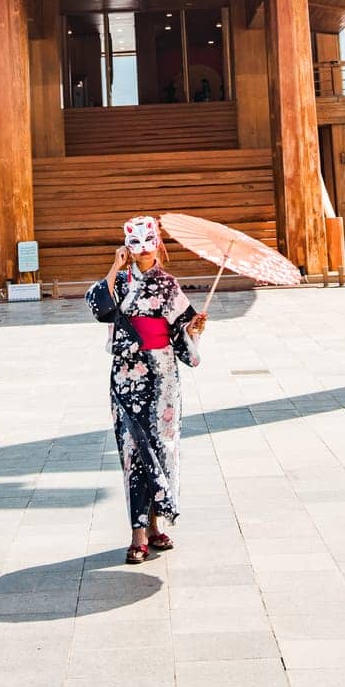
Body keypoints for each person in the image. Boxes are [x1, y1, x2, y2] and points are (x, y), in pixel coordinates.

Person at [86, 215, 207, 564]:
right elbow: (99, 307)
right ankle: (138, 532)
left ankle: (155, 527)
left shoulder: (169, 284)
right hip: (127, 374)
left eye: (147, 241)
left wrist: (194, 329)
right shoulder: (120, 282)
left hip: (163, 375)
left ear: (158, 244)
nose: (141, 248)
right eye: (134, 242)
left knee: (161, 446)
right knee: (132, 449)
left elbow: (182, 332)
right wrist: (114, 266)